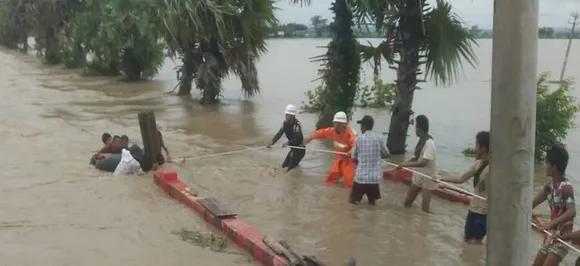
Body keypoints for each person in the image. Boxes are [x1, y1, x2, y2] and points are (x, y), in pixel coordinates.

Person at [437, 131, 489, 244]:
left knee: (475, 243)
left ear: (483, 148)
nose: (475, 149)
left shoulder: (494, 169)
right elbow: (460, 179)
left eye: (476, 145)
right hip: (473, 210)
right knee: (466, 242)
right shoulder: (478, 164)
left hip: (484, 214)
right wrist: (441, 178)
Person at [532, 145, 576, 266]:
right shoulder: (549, 186)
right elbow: (531, 204)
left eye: (546, 162)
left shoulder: (566, 187)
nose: (544, 166)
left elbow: (572, 212)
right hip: (550, 235)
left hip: (563, 238)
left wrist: (549, 224)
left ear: (554, 167)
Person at [304, 111, 357, 188]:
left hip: (349, 162)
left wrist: (352, 151)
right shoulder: (333, 131)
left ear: (342, 124)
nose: (334, 125)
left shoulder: (350, 134)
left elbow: (356, 144)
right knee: (329, 181)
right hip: (340, 160)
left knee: (349, 186)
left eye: (336, 123)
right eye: (334, 123)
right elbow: (321, 133)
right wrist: (310, 137)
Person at [400, 114, 437, 213]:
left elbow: (423, 162)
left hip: (428, 176)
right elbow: (416, 158)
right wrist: (403, 164)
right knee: (407, 202)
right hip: (418, 174)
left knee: (425, 207)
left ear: (419, 128)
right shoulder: (420, 140)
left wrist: (406, 165)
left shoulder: (430, 143)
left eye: (416, 127)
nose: (415, 130)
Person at [349, 115, 388, 205]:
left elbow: (353, 158)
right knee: (372, 203)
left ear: (364, 126)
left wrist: (359, 163)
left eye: (361, 125)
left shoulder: (359, 139)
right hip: (374, 179)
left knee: (351, 202)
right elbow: (386, 153)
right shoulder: (379, 139)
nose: (360, 128)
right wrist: (377, 156)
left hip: (361, 178)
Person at [267, 104, 306, 171]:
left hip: (299, 149)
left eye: (287, 115)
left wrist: (288, 143)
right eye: (286, 114)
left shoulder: (297, 125)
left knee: (289, 169)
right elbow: (279, 133)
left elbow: (297, 137)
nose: (285, 116)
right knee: (284, 166)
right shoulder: (285, 124)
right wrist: (272, 142)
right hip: (293, 149)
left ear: (292, 116)